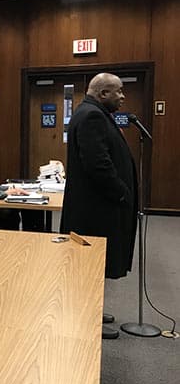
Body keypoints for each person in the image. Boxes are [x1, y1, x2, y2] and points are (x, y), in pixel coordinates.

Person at [60, 73, 138, 340]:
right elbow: (98, 164)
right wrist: (121, 192)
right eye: (119, 91)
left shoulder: (92, 113)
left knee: (93, 266)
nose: (123, 96)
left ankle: (92, 309)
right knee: (89, 267)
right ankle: (86, 318)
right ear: (103, 93)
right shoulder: (92, 116)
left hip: (94, 208)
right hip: (95, 210)